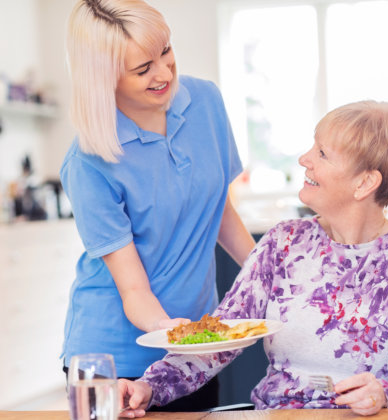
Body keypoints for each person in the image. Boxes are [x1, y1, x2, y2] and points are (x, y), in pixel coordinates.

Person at [117, 100, 388, 417]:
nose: (305, 159)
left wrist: (384, 395)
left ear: (364, 182)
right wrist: (150, 387)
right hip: (279, 414)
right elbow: (221, 340)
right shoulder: (283, 242)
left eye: (322, 153)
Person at [60, 0, 255, 411]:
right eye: (143, 68)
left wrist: (270, 273)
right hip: (116, 356)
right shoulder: (89, 163)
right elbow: (133, 289)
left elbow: (217, 209)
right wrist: (174, 333)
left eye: (165, 51)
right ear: (104, 77)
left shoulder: (205, 102)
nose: (165, 73)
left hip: (193, 353)